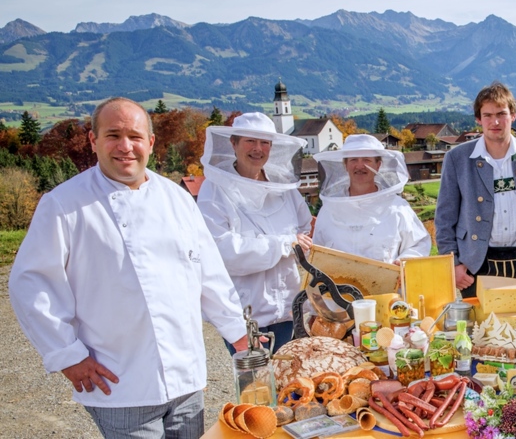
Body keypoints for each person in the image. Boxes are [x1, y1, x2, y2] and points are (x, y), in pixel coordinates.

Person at [9, 97, 250, 438]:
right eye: (113, 135)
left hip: (186, 380)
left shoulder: (177, 198)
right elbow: (31, 284)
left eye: (135, 136)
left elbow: (208, 273)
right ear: (94, 141)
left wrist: (238, 334)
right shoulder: (63, 204)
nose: (125, 147)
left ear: (150, 143)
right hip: (120, 382)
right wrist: (66, 354)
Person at [198, 112, 313, 354]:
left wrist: (297, 244)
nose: (257, 149)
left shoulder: (283, 187)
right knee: (256, 387)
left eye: (264, 143)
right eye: (250, 141)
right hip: (247, 317)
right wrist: (284, 245)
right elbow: (222, 252)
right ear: (234, 143)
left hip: (290, 309)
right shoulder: (215, 188)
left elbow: (304, 228)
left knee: (292, 384)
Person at [435, 82, 516, 298]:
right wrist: (453, 264)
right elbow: (444, 219)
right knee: (479, 330)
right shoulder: (457, 158)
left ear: (513, 115)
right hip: (475, 265)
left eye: (501, 113)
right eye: (488, 115)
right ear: (478, 119)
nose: (495, 121)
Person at [312, 134, 431, 263]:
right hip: (336, 282)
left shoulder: (397, 207)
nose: (360, 166)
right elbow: (317, 251)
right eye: (353, 160)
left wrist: (405, 260)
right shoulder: (329, 209)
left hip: (385, 282)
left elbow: (419, 244)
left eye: (366, 160)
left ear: (378, 165)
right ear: (345, 165)